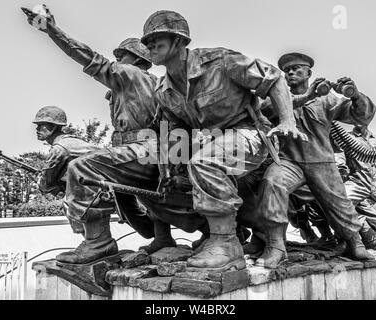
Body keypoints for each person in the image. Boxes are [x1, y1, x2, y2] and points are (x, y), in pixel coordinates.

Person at [138, 10, 307, 272]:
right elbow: (175, 128)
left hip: (250, 133)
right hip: (213, 141)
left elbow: (273, 78)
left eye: (158, 39)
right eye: (147, 42)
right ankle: (218, 233)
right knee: (176, 176)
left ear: (180, 42)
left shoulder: (219, 60)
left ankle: (225, 243)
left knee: (206, 162)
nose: (150, 46)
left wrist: (287, 121)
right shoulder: (163, 90)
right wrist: (168, 162)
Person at [23, 6, 165, 264]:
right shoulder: (155, 83)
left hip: (141, 150)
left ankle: (98, 243)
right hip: (154, 154)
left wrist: (53, 31)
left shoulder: (130, 75)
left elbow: (90, 58)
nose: (117, 61)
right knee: (123, 199)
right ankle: (160, 236)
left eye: (121, 56)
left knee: (81, 168)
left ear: (132, 59)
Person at [246, 52, 376, 268]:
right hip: (290, 162)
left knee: (339, 203)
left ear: (309, 73)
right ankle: (275, 246)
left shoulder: (327, 99)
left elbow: (361, 117)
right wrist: (306, 96)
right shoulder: (278, 98)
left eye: (297, 68)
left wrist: (355, 95)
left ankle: (354, 242)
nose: (291, 72)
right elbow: (262, 111)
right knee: (272, 182)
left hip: (322, 162)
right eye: (287, 70)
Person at [33, 105, 99, 235]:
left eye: (42, 125)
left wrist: (40, 182)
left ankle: (92, 242)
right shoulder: (74, 141)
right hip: (101, 186)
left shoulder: (60, 149)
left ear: (53, 127)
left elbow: (45, 184)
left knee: (69, 202)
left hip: (95, 192)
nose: (37, 128)